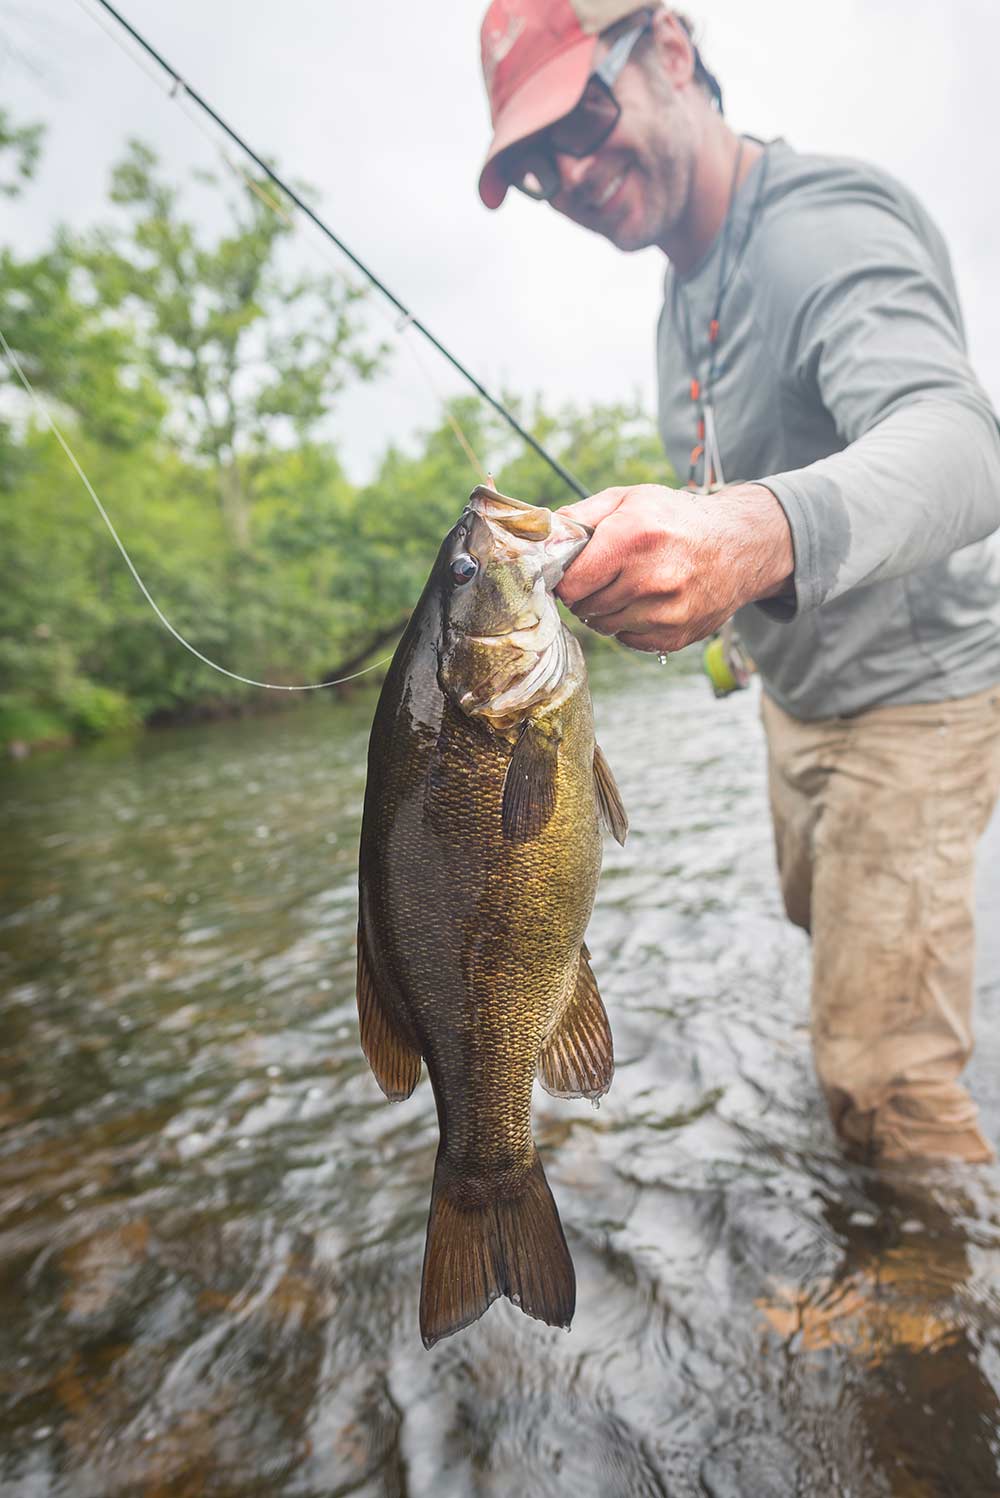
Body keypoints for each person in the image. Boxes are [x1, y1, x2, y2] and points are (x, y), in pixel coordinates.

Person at [476, 0, 1000, 1164]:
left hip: (911, 702)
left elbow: (967, 444)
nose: (566, 171)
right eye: (531, 165)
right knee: (847, 983)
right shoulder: (684, 283)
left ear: (669, 50)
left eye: (582, 116)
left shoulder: (818, 231)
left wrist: (750, 534)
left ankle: (928, 1312)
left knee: (884, 1076)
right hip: (799, 701)